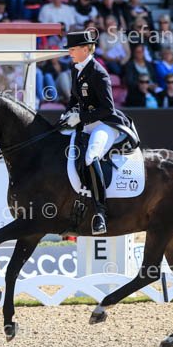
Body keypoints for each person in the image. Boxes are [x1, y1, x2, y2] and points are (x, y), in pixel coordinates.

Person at [60, 30, 137, 235]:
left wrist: (80, 117)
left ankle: (100, 212)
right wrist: (68, 113)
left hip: (104, 124)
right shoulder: (75, 68)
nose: (69, 52)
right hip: (86, 123)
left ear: (85, 49)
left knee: (91, 156)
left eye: (72, 49)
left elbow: (107, 109)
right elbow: (74, 97)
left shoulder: (99, 73)